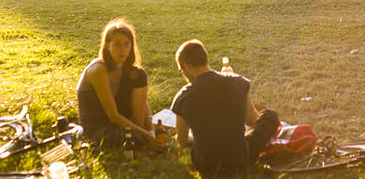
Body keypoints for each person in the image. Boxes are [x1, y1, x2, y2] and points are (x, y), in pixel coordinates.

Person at [171, 39, 280, 177]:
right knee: (270, 115)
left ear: (186, 66)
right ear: (205, 60)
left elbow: (182, 141)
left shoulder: (182, 97)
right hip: (239, 159)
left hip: (205, 164)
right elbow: (252, 121)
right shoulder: (239, 82)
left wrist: (196, 136)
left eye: (181, 71)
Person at [76, 18, 156, 149]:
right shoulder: (98, 69)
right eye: (117, 44)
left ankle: (140, 130)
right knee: (136, 140)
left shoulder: (124, 67)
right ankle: (139, 132)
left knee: (139, 73)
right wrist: (146, 135)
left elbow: (143, 102)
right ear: (107, 45)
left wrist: (151, 130)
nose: (123, 50)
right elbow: (112, 116)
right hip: (98, 126)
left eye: (126, 44)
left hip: (118, 121)